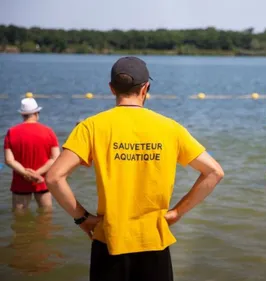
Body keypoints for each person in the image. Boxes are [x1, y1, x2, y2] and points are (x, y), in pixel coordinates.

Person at [45, 56, 224, 281]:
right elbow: (214, 172)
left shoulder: (91, 126)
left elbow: (53, 177)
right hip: (154, 240)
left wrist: (82, 218)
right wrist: (177, 212)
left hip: (109, 240)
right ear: (145, 88)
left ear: (111, 89)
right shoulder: (170, 128)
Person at [3, 98, 60, 212]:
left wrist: (26, 174)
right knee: (46, 215)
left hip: (21, 180)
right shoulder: (48, 131)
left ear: (22, 114)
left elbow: (9, 160)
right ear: (36, 113)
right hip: (42, 180)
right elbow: (55, 157)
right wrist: (36, 175)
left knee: (19, 217)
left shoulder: (12, 132)